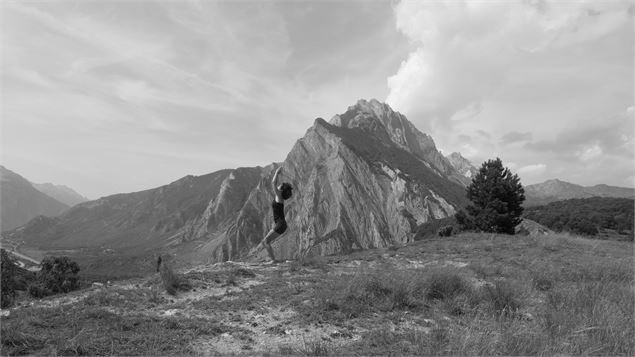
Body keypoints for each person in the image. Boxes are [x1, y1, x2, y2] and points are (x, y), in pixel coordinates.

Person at [255, 166, 293, 263]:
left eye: (280, 186)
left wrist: (277, 172)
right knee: (265, 242)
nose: (279, 185)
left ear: (281, 190)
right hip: (281, 224)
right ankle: (270, 259)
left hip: (280, 224)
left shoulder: (279, 196)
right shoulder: (280, 198)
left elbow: (273, 183)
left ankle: (273, 261)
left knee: (265, 242)